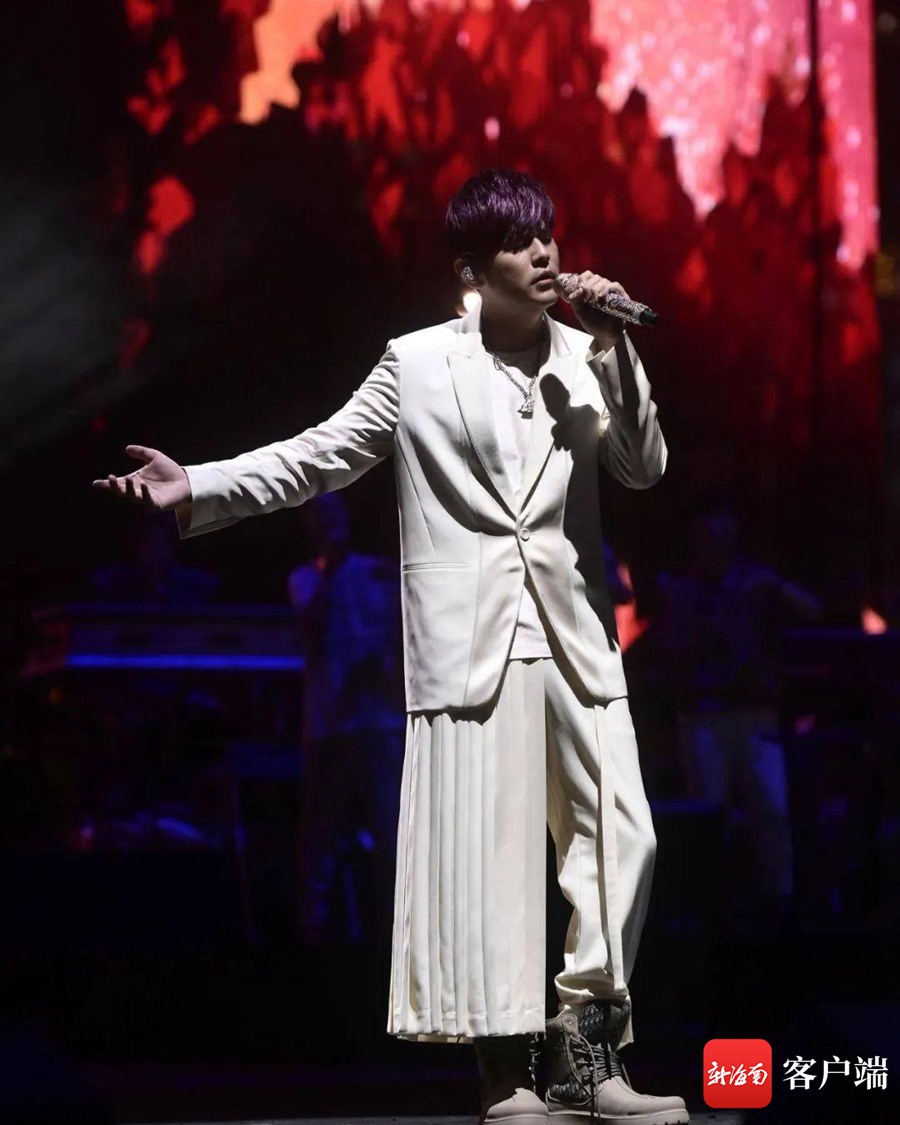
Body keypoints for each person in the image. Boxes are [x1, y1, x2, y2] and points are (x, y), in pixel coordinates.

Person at [94, 169, 688, 1125]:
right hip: (472, 641)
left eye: (547, 231)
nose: (544, 250)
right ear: (471, 270)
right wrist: (195, 485)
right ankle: (506, 1071)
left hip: (575, 633)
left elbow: (643, 467)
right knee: (491, 857)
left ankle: (590, 1051)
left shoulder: (589, 352)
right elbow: (319, 454)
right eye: (518, 240)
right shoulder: (416, 365)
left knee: (625, 835)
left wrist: (616, 347)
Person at [656, 503, 823, 913]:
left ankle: (780, 906)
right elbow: (672, 652)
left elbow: (812, 611)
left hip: (756, 716)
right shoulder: (682, 591)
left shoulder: (756, 583)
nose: (717, 546)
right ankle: (707, 908)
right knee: (708, 816)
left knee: (773, 816)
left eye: (723, 537)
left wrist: (776, 588)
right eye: (709, 537)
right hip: (705, 717)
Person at [288, 492, 405, 943]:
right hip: (330, 722)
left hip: (380, 720)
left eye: (336, 512)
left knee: (391, 826)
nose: (331, 521)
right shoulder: (305, 579)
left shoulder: (378, 573)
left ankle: (398, 925)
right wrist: (331, 570)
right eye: (321, 515)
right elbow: (309, 627)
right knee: (322, 827)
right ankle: (313, 927)